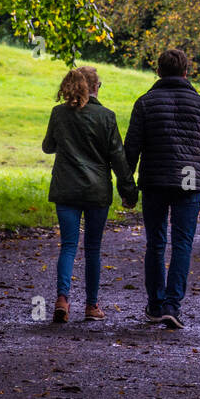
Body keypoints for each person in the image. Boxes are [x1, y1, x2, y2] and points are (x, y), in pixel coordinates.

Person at [123, 48, 200, 329]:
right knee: (182, 244)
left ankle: (155, 304)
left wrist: (127, 188)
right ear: (186, 72)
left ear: (158, 71)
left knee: (155, 243)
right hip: (189, 181)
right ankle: (172, 306)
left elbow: (131, 149)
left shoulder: (145, 103)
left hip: (154, 179)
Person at [42, 66, 137, 323]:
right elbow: (118, 158)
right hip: (97, 191)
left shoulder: (59, 113)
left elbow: (48, 146)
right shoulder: (106, 116)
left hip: (66, 189)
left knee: (69, 246)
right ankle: (92, 306)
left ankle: (62, 299)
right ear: (96, 87)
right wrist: (129, 191)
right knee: (93, 248)